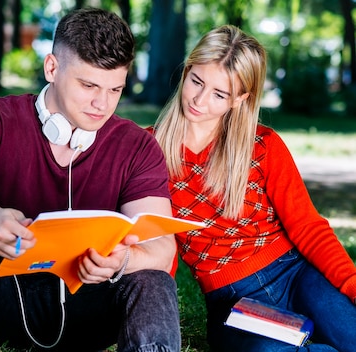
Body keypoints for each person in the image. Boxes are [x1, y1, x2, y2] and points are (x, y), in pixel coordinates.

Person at [0, 7, 181, 352]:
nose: (101, 104)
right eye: (88, 85)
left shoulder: (136, 145)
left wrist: (123, 261)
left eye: (114, 89)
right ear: (52, 67)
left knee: (151, 274)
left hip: (86, 307)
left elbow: (163, 249)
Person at [149, 24, 356, 352]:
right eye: (196, 81)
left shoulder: (264, 145)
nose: (200, 100)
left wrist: (352, 286)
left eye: (219, 94)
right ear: (186, 71)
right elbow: (156, 241)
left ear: (240, 99)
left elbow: (309, 228)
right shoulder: (148, 151)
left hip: (297, 274)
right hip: (231, 298)